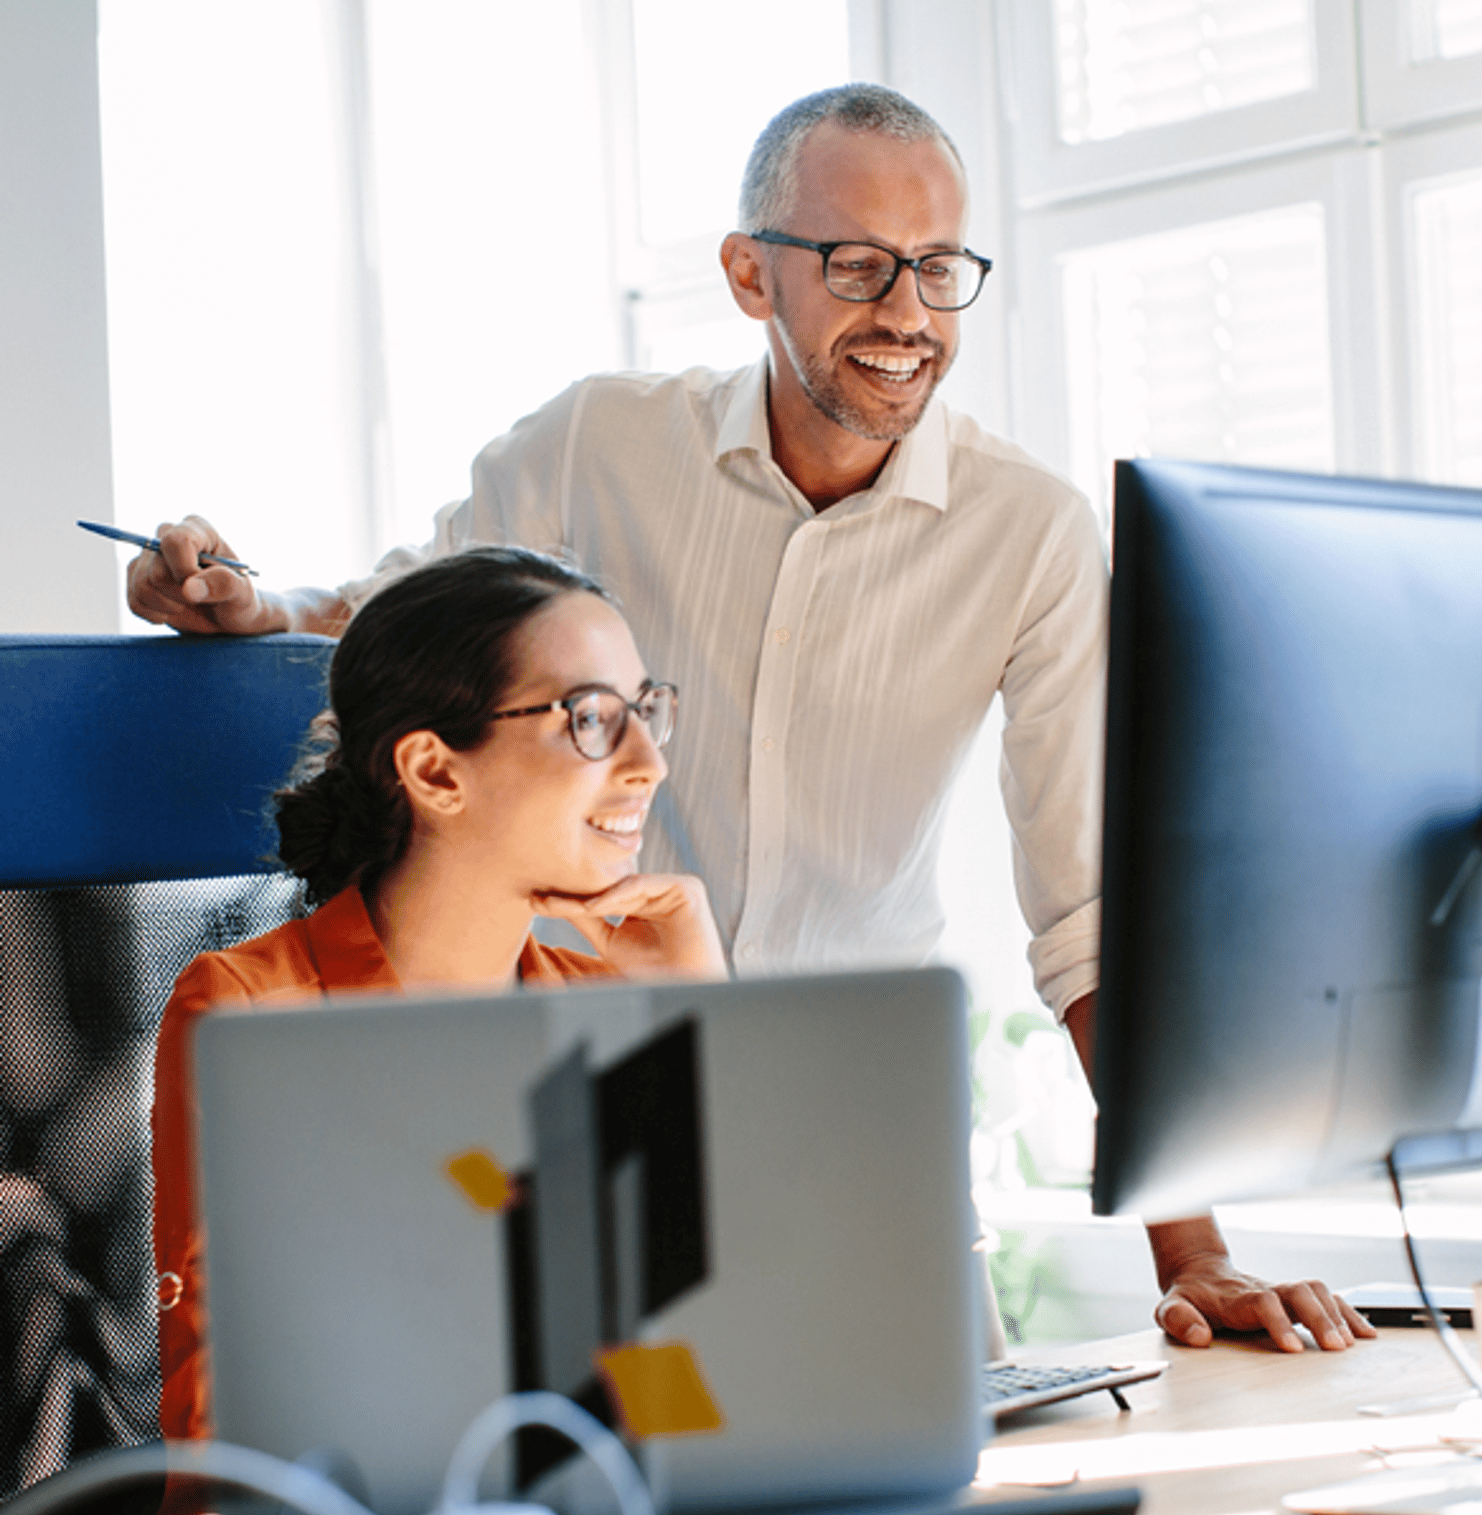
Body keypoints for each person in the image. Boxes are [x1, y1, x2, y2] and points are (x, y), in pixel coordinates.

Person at [127, 85, 1372, 1358]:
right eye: (859, 265)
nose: (907, 314)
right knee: (652, 1448)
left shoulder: (1031, 533)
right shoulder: (597, 444)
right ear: (748, 275)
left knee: (921, 1491)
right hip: (580, 1129)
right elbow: (418, 614)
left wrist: (1194, 1249)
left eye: (940, 270)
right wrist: (256, 603)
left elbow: (1091, 917)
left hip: (851, 1149)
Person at [151, 547, 728, 1440]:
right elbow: (230, 1432)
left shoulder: (604, 1001)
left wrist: (696, 1014)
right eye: (592, 718)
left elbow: (703, 1370)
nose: (650, 762)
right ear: (435, 772)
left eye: (648, 712)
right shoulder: (255, 1012)